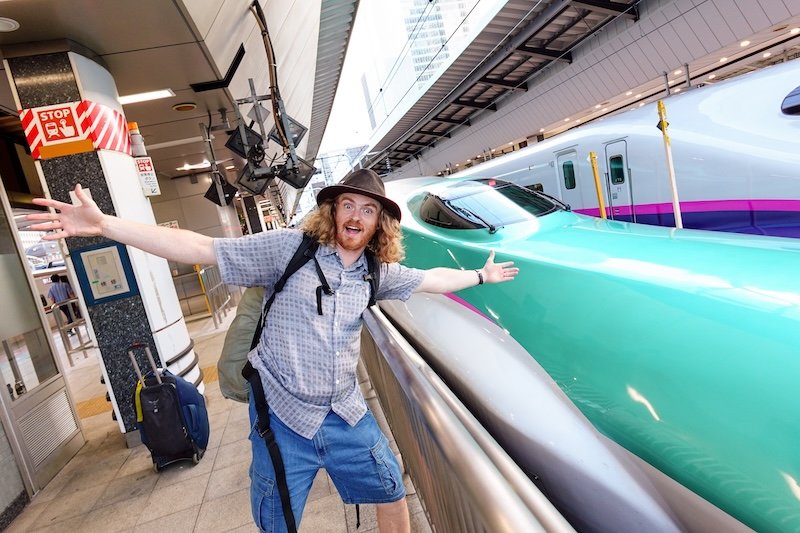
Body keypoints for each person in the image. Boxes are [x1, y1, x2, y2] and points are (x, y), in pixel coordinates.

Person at [27, 169, 519, 532]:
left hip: (346, 414)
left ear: (380, 225)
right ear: (332, 211)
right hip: (281, 421)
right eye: (348, 205)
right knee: (276, 522)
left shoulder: (376, 273)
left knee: (391, 491)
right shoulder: (289, 249)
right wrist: (107, 226)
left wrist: (480, 276)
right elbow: (200, 248)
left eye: (369, 210)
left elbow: (430, 278)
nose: (357, 216)